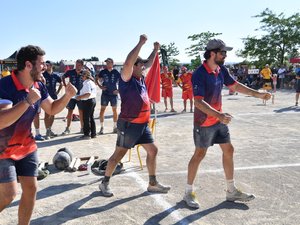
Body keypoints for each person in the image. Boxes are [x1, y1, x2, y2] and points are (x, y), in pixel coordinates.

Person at [183, 39, 272, 209]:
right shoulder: (199, 74)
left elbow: (235, 85)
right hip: (204, 122)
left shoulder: (221, 69)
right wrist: (218, 115)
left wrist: (257, 94)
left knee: (229, 150)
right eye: (223, 53)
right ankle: (188, 192)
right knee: (199, 154)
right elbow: (198, 102)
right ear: (212, 54)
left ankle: (231, 191)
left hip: (219, 119)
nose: (225, 55)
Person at [0, 45, 76, 224]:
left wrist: (67, 96)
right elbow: (2, 121)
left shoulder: (38, 85)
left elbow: (51, 108)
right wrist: (27, 101)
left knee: (31, 188)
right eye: (41, 63)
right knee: (9, 194)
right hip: (2, 149)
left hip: (26, 147)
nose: (45, 66)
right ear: (28, 65)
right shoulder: (4, 86)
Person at [98, 34, 170, 197]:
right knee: (117, 156)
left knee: (153, 151)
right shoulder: (126, 78)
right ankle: (105, 183)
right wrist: (140, 43)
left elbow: (150, 63)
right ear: (134, 67)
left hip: (142, 125)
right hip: (129, 125)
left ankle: (152, 183)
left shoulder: (141, 79)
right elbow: (129, 62)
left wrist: (155, 51)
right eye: (141, 65)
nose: (144, 67)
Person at [95, 58, 120, 134]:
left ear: (112, 63)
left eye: (109, 63)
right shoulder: (103, 71)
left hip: (113, 94)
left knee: (114, 111)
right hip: (105, 94)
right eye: (106, 63)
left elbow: (122, 81)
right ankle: (102, 128)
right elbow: (96, 78)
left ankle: (115, 127)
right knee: (102, 110)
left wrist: (118, 90)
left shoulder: (116, 72)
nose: (107, 64)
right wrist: (100, 86)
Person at [61, 59, 84, 135]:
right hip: (71, 95)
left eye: (79, 65)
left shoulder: (84, 73)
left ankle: (82, 128)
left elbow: (91, 79)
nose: (77, 66)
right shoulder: (70, 72)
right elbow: (63, 77)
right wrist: (65, 85)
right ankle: (68, 128)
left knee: (81, 112)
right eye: (76, 65)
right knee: (70, 111)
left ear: (82, 66)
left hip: (80, 95)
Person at [43, 60, 63, 139]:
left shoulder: (55, 75)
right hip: (45, 97)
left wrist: (57, 91)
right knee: (47, 114)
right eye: (45, 65)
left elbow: (61, 83)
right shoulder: (43, 75)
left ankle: (50, 129)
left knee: (53, 113)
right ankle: (47, 131)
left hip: (54, 96)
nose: (46, 66)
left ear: (51, 66)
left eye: (47, 65)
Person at [76, 70, 97, 139]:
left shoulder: (87, 83)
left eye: (82, 75)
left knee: (86, 118)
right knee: (91, 117)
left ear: (86, 76)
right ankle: (93, 134)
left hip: (88, 101)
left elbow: (88, 94)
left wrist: (79, 97)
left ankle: (87, 134)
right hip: (92, 100)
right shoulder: (92, 82)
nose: (81, 77)